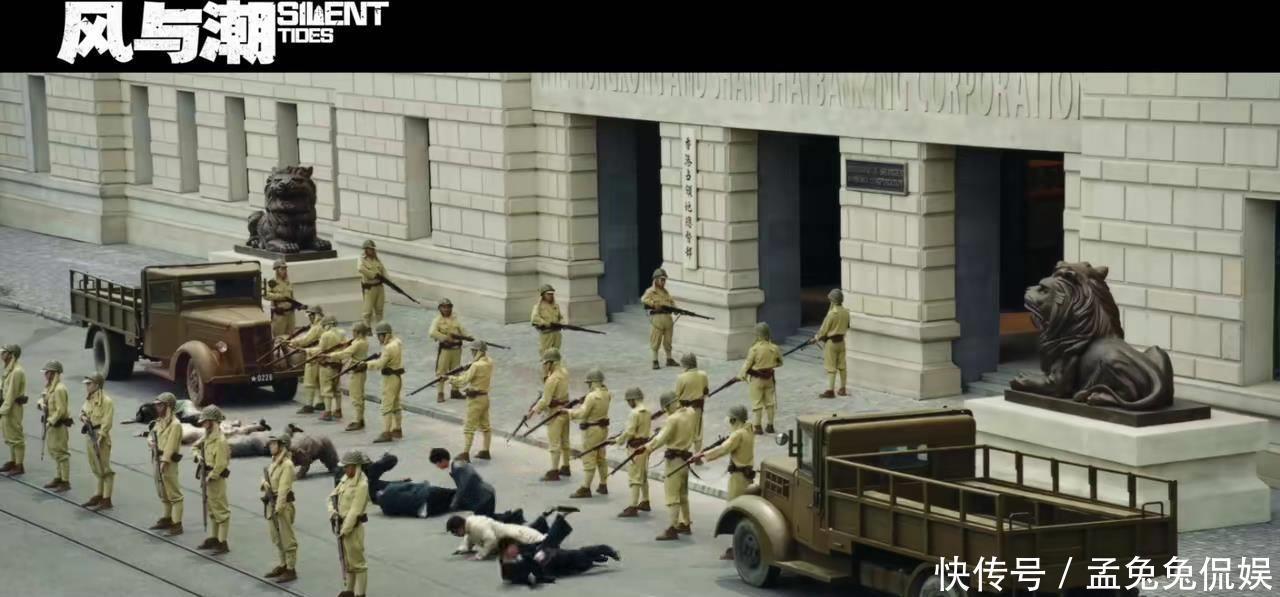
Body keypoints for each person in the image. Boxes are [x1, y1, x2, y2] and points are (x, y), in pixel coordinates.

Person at [691, 405, 756, 559]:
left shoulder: (737, 435)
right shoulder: (749, 430)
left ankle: (736, 547)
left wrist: (702, 455)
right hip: (747, 476)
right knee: (744, 510)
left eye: (730, 419)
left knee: (735, 509)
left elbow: (722, 449)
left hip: (738, 477)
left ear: (734, 419)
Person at [498, 511, 620, 586]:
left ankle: (603, 553)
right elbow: (534, 571)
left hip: (547, 557)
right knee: (577, 556)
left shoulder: (518, 553)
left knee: (575, 555)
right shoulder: (516, 562)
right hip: (548, 561)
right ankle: (602, 554)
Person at [638, 391, 695, 540]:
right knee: (683, 494)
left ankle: (672, 528)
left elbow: (662, 438)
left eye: (665, 408)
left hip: (674, 461)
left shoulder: (673, 418)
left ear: (668, 405)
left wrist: (647, 448)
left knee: (672, 495)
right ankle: (686, 522)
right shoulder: (691, 412)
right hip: (685, 458)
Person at [330, 450, 371, 597]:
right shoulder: (345, 479)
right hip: (341, 525)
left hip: (353, 529)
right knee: (348, 562)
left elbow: (355, 511)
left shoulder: (361, 485)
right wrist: (333, 512)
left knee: (358, 564)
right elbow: (332, 496)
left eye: (347, 466)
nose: (345, 469)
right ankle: (349, 590)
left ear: (356, 466)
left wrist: (344, 530)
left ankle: (361, 594)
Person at [569, 368, 610, 499]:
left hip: (591, 431)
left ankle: (586, 488)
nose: (588, 386)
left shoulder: (591, 396)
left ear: (593, 382)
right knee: (601, 458)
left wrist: (569, 413)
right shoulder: (607, 393)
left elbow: (583, 413)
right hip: (603, 429)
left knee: (589, 459)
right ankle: (603, 484)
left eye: (589, 383)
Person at [148, 393, 185, 536]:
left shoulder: (175, 425)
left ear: (168, 406)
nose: (157, 407)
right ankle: (167, 517)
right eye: (157, 405)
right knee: (162, 490)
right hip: (156, 457)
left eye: (160, 405)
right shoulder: (160, 421)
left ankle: (177, 524)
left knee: (174, 493)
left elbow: (171, 445)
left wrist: (164, 461)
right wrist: (150, 442)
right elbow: (151, 434)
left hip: (167, 462)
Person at [359, 322, 404, 443]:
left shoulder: (388, 348)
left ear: (385, 335)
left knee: (386, 406)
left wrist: (366, 364)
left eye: (379, 335)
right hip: (397, 377)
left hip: (389, 378)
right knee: (396, 404)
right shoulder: (397, 342)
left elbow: (380, 364)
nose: (379, 338)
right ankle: (397, 428)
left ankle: (386, 432)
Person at [263, 433, 298, 583]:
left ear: (281, 446)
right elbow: (270, 479)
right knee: (277, 537)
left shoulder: (287, 465)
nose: (270, 446)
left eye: (273, 444)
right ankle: (283, 564)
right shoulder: (275, 462)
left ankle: (291, 568)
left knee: (287, 538)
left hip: (282, 506)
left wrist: (278, 508)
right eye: (270, 444)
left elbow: (283, 489)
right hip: (272, 504)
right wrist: (264, 483)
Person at [196, 405, 231, 555]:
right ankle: (215, 537)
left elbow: (221, 464)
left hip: (215, 479)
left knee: (221, 511)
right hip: (207, 475)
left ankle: (222, 542)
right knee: (212, 509)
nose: (203, 423)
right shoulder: (208, 437)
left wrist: (211, 476)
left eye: (205, 421)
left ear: (213, 421)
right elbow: (195, 447)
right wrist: (198, 455)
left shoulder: (220, 441)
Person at [450, 341, 493, 461]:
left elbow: (463, 381)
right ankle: (486, 450)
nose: (472, 353)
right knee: (486, 426)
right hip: (485, 398)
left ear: (477, 351)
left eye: (473, 351)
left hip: (475, 399)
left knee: (469, 427)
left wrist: (450, 378)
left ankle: (465, 453)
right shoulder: (489, 362)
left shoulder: (476, 366)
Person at [79, 373, 115, 510]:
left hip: (100, 436)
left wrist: (101, 436)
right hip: (90, 434)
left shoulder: (106, 401)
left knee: (104, 468)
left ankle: (107, 499)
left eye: (89, 384)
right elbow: (82, 411)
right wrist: (83, 418)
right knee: (95, 466)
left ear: (97, 385)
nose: (87, 386)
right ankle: (98, 495)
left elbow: (107, 421)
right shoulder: (89, 398)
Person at [534, 348, 571, 481]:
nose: (544, 366)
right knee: (565, 441)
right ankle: (566, 466)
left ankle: (554, 470)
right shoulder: (564, 372)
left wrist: (534, 410)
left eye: (545, 363)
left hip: (555, 413)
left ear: (551, 363)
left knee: (554, 443)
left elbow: (545, 400)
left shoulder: (552, 378)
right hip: (566, 410)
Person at [740, 322, 783, 434]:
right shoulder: (774, 348)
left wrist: (741, 375)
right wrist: (770, 365)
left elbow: (747, 364)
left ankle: (758, 426)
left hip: (757, 379)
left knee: (757, 402)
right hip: (769, 379)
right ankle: (770, 425)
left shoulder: (754, 349)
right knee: (770, 402)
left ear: (758, 334)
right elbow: (780, 363)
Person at [615, 387, 652, 518]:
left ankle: (633, 506)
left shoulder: (634, 413)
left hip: (635, 448)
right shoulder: (648, 411)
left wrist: (619, 440)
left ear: (632, 400)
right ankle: (645, 500)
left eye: (628, 401)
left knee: (635, 477)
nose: (628, 403)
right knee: (643, 474)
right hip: (645, 446)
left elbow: (630, 432)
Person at [448, 512, 545, 561]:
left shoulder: (477, 526)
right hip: (508, 538)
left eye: (455, 532)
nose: (455, 535)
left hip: (516, 537)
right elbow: (469, 537)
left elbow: (491, 540)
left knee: (536, 542)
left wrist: (480, 555)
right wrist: (463, 548)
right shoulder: (469, 525)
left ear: (460, 527)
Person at [330, 322, 371, 431]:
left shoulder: (359, 343)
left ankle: (357, 421)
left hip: (357, 372)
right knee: (359, 396)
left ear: (359, 333)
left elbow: (345, 354)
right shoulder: (362, 341)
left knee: (356, 396)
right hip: (359, 372)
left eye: (354, 331)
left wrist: (330, 355)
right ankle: (360, 419)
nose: (353, 333)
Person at [38, 361, 72, 492]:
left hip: (58, 425)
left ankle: (65, 481)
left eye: (47, 372)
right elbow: (42, 397)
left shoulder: (59, 389)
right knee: (55, 452)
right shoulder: (50, 387)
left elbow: (61, 410)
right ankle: (59, 477)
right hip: (52, 425)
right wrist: (41, 403)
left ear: (54, 373)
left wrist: (51, 421)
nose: (45, 375)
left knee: (62, 453)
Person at [428, 298, 467, 403]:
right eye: (444, 307)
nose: (446, 309)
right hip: (445, 350)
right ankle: (440, 393)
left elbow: (462, 330)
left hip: (457, 349)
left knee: (456, 370)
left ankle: (455, 391)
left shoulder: (455, 319)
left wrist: (469, 337)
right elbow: (432, 332)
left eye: (448, 307)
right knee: (442, 371)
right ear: (440, 308)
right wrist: (445, 338)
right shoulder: (437, 320)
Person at [291, 305, 326, 414]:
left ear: (316, 315)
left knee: (309, 380)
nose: (310, 317)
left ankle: (308, 405)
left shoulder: (317, 327)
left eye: (311, 315)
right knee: (318, 380)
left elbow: (306, 340)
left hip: (313, 354)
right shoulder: (322, 325)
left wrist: (293, 342)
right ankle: (321, 402)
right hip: (321, 354)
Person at [641, 268, 679, 369]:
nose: (663, 282)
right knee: (656, 340)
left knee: (668, 340)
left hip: (667, 318)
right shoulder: (651, 291)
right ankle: (655, 360)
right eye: (662, 279)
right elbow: (643, 299)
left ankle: (669, 359)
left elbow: (672, 302)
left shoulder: (666, 292)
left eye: (664, 280)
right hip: (657, 318)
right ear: (656, 280)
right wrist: (653, 304)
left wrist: (675, 309)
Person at [816, 288, 850, 398]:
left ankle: (830, 390)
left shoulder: (831, 314)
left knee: (831, 367)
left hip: (831, 343)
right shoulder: (846, 312)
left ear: (833, 300)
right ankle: (843, 388)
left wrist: (816, 338)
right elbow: (847, 326)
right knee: (842, 366)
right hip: (842, 342)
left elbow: (823, 330)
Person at [0, 344, 27, 476]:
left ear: (12, 355)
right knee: (9, 435)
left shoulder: (17, 371)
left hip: (12, 407)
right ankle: (13, 461)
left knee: (16, 435)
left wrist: (2, 411)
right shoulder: (8, 369)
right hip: (6, 406)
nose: (1, 355)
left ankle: (19, 465)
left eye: (4, 353)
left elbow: (11, 394)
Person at [314, 315, 347, 421]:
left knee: (326, 389)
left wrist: (309, 351)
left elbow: (320, 350)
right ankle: (338, 410)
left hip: (326, 365)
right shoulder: (342, 333)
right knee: (337, 388)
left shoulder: (325, 335)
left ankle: (327, 412)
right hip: (338, 365)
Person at [674, 352, 709, 452]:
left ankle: (683, 452)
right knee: (698, 432)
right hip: (698, 408)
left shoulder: (681, 377)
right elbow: (706, 392)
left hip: (684, 409)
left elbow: (677, 395)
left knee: (684, 431)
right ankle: (697, 455)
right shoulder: (703, 375)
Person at [264, 259, 298, 338]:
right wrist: (280, 297)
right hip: (280, 315)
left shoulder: (288, 282)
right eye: (282, 269)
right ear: (277, 270)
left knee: (290, 337)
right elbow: (266, 295)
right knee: (279, 337)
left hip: (290, 314)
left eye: (285, 269)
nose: (284, 271)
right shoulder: (273, 282)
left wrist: (296, 304)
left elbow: (292, 296)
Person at [358, 239, 388, 327]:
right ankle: (367, 329)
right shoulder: (362, 259)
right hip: (370, 288)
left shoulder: (377, 259)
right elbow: (360, 269)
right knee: (367, 312)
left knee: (379, 310)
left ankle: (380, 328)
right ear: (366, 249)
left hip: (379, 287)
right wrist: (373, 275)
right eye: (370, 249)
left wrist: (389, 280)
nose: (372, 250)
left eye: (372, 248)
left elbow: (383, 270)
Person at [529, 284, 563, 356]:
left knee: (556, 353)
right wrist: (545, 323)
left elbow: (560, 317)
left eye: (552, 294)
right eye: (548, 294)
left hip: (556, 333)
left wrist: (561, 323)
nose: (550, 296)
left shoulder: (556, 306)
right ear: (543, 295)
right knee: (546, 353)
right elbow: (534, 318)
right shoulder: (538, 307)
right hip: (546, 334)